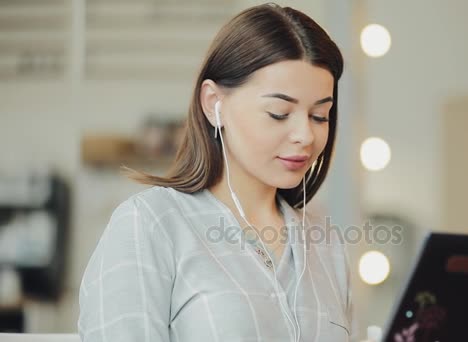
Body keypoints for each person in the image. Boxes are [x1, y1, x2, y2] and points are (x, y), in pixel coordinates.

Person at [78, 3, 352, 342]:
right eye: (279, 113)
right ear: (213, 103)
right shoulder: (151, 223)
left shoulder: (326, 245)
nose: (306, 136)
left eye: (320, 116)